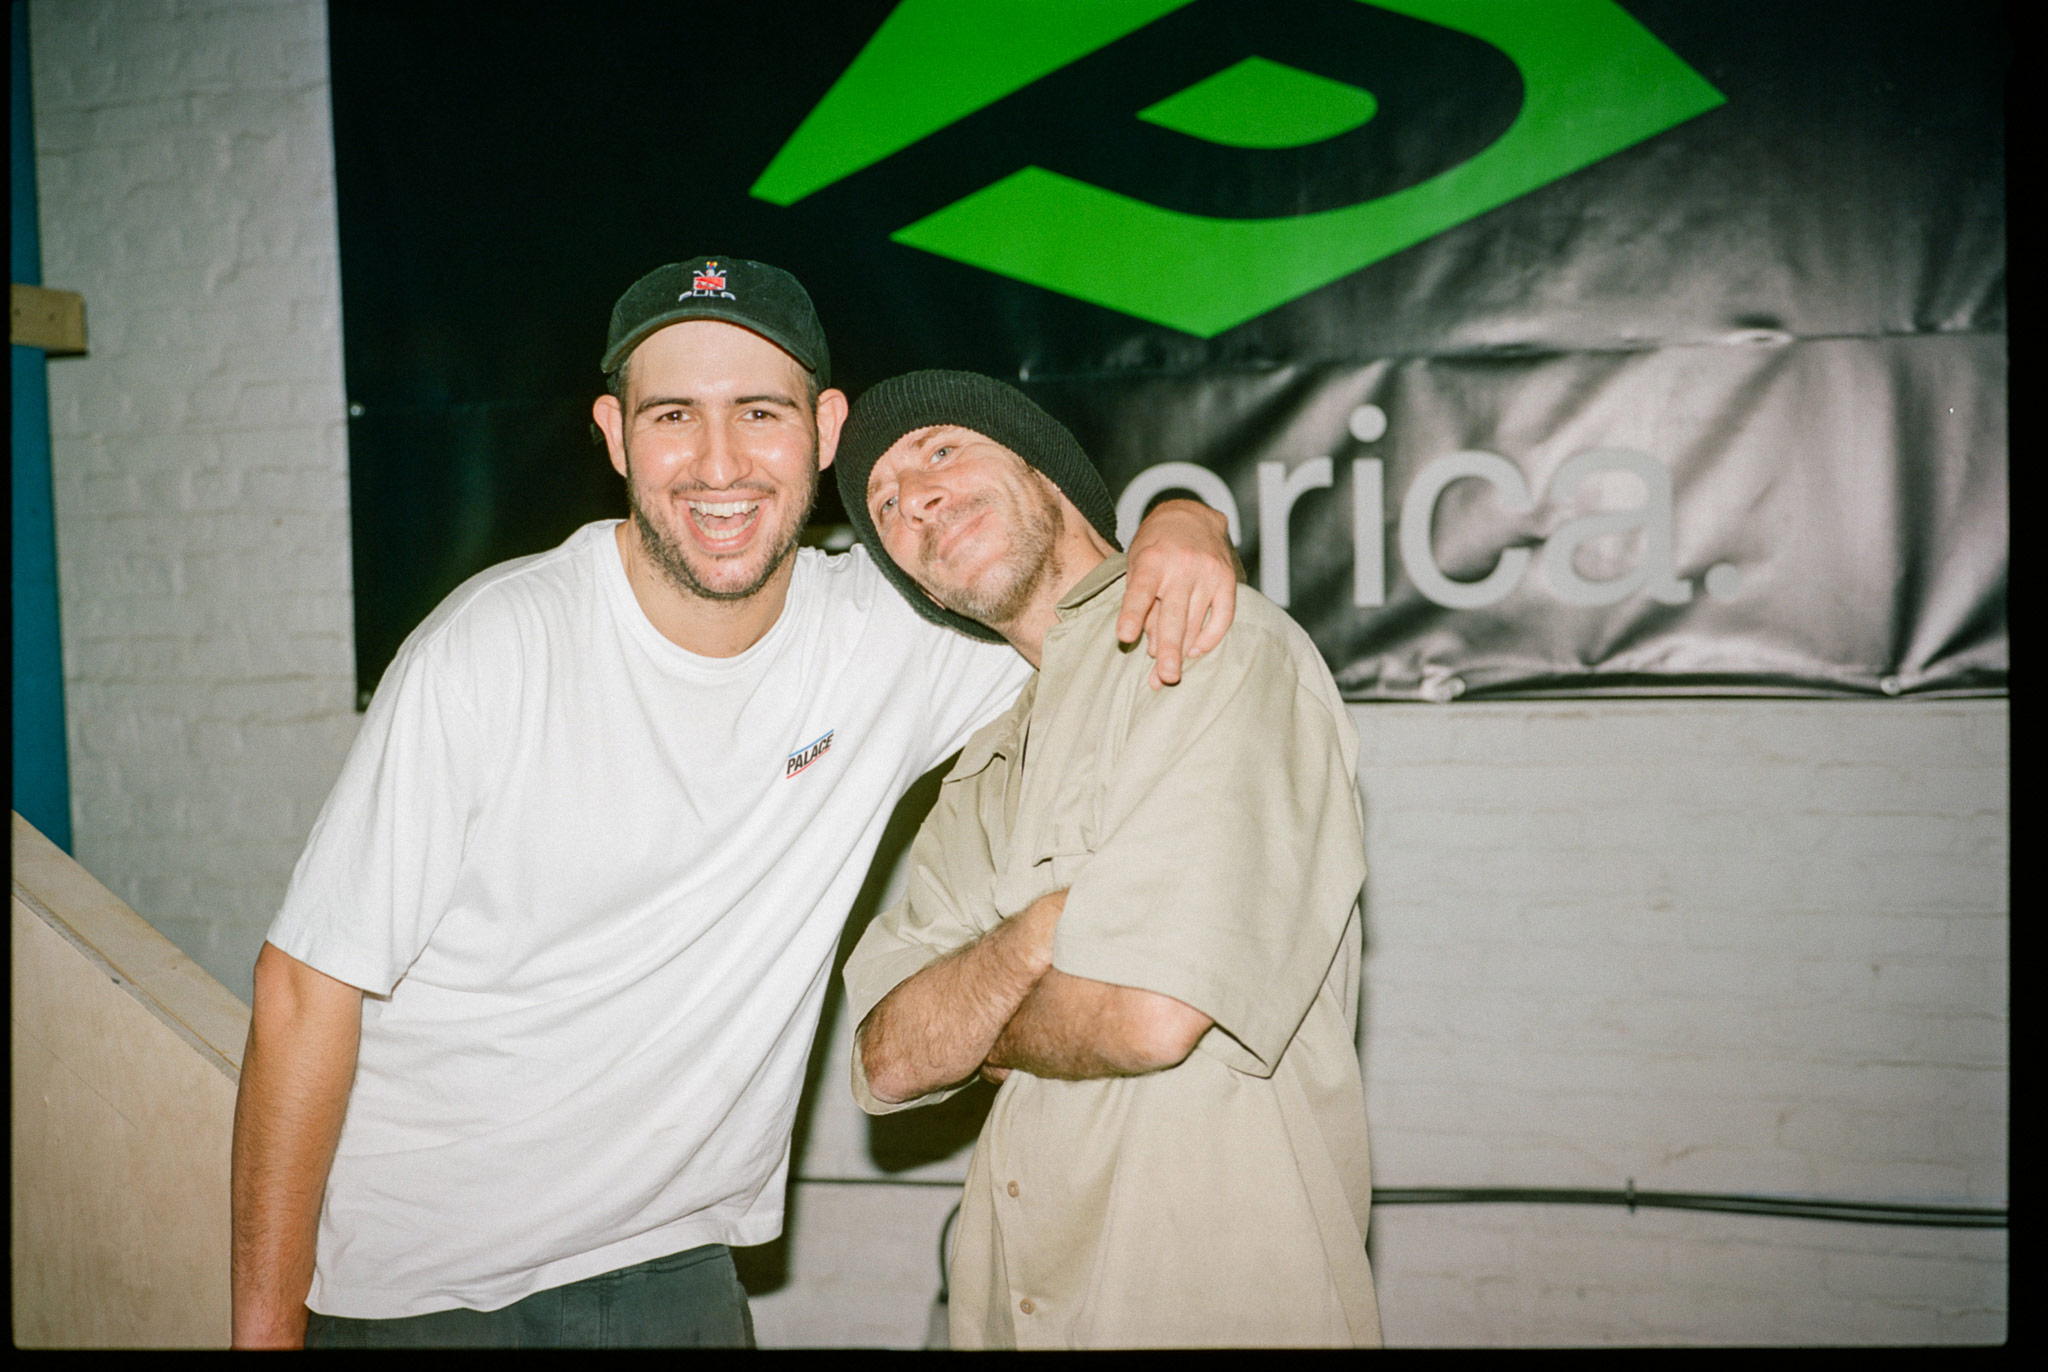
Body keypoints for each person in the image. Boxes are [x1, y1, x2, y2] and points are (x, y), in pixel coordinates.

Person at [229, 257, 1242, 1348]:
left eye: (760, 412)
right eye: (674, 415)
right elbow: (305, 988)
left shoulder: (891, 635)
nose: (720, 463)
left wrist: (1184, 517)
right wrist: (266, 1330)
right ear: (616, 437)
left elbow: (1078, 582)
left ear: (826, 430)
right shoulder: (492, 650)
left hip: (679, 1269)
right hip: (427, 1291)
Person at [835, 370, 1382, 1349]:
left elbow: (1149, 1013)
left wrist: (983, 1029)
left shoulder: (1211, 645)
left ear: (1046, 468)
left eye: (941, 450)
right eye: (882, 505)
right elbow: (887, 1056)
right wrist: (1038, 934)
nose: (912, 498)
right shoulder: (978, 771)